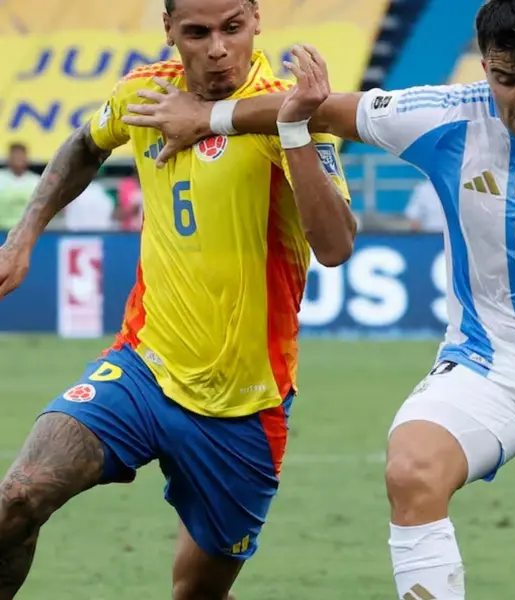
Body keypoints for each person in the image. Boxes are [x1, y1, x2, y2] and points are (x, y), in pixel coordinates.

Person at [121, 1, 515, 598]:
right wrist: (208, 118)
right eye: (507, 79)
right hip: (486, 369)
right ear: (486, 70)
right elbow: (319, 110)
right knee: (412, 469)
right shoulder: (446, 115)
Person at [0, 0, 355, 598]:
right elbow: (85, 144)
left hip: (245, 408)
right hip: (141, 370)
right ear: (169, 31)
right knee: (18, 495)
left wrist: (294, 128)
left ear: (256, 21)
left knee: (197, 593)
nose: (217, 48)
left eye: (231, 29)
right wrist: (23, 236)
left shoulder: (285, 111)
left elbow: (338, 244)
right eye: (197, 32)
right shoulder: (144, 93)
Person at [0, 143, 40, 231]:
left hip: (27, 232)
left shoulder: (36, 181)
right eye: (15, 156)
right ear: (9, 158)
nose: (18, 159)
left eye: (20, 156)